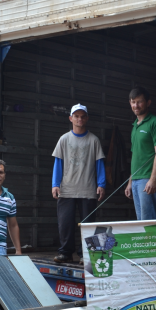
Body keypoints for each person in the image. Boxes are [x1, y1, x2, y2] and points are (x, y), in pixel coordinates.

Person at [51, 104, 106, 263]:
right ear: (71, 118)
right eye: (76, 116)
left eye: (82, 116)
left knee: (87, 225)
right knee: (65, 224)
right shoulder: (64, 139)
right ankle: (65, 253)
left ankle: (86, 255)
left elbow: (99, 164)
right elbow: (58, 164)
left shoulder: (93, 140)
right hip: (66, 189)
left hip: (88, 190)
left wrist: (101, 184)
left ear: (86, 119)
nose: (79, 119)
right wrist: (55, 184)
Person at [125, 86, 156, 220]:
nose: (136, 105)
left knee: (149, 222)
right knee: (141, 223)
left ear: (148, 103)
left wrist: (153, 179)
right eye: (133, 101)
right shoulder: (135, 125)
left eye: (139, 101)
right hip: (136, 180)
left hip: (147, 179)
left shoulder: (155, 122)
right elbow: (135, 156)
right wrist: (130, 181)